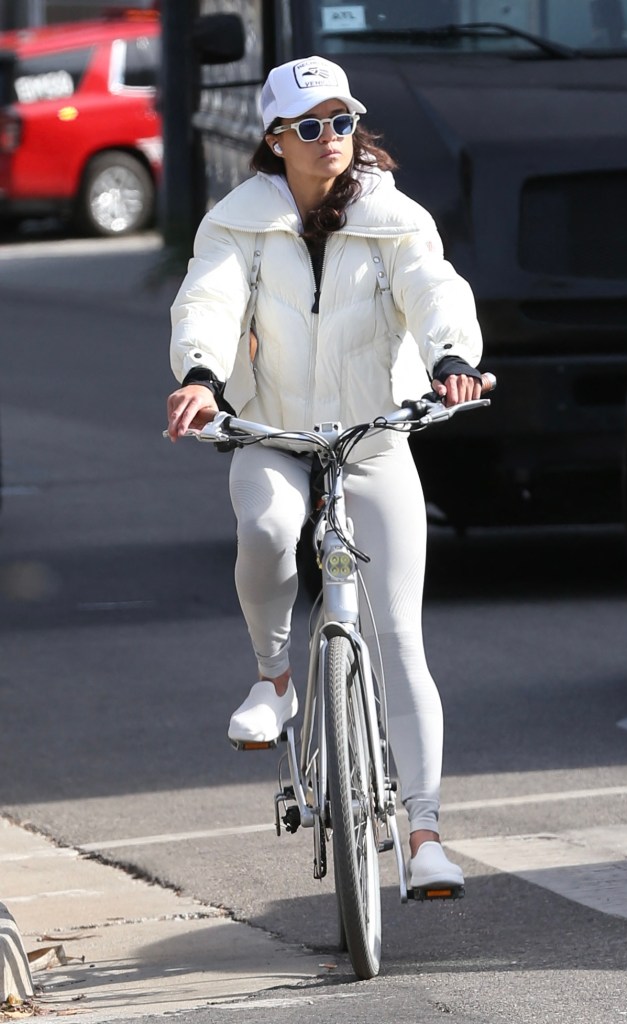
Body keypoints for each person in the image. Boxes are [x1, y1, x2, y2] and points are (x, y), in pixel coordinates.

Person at [166, 56, 483, 890]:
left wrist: (453, 354)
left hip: (372, 439)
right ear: (274, 139)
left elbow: (434, 287)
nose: (328, 139)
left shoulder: (392, 216)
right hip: (272, 431)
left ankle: (422, 838)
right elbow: (208, 300)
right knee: (268, 528)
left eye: (341, 121)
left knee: (401, 639)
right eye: (308, 126)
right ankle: (274, 679)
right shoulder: (238, 223)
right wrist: (201, 376)